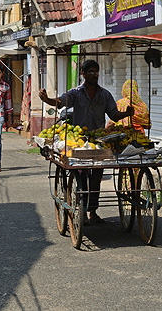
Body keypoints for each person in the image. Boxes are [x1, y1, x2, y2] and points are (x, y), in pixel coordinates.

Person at [39, 59, 134, 224]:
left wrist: (126, 114)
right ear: (83, 74)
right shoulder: (75, 93)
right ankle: (81, 208)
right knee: (81, 175)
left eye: (96, 72)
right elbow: (60, 102)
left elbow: (113, 114)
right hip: (80, 141)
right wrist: (47, 100)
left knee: (96, 176)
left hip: (98, 141)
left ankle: (92, 211)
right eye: (90, 72)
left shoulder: (105, 94)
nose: (94, 75)